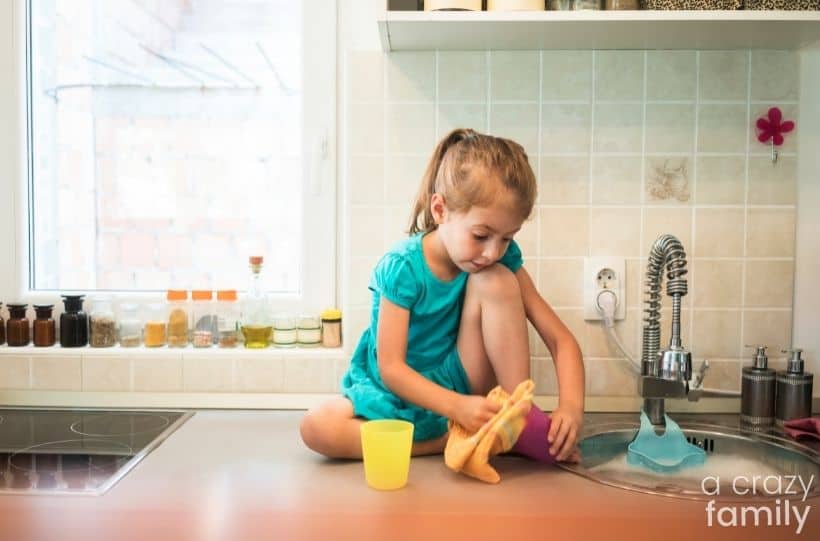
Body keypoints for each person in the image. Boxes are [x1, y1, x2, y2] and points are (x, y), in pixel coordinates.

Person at [300, 128, 585, 463]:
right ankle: (456, 438)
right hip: (399, 390)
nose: (493, 251)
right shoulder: (402, 267)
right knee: (317, 427)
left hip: (459, 377)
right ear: (440, 210)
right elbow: (391, 368)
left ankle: (514, 416)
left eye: (507, 238)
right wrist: (457, 408)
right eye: (481, 235)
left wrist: (571, 407)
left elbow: (560, 340)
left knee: (496, 280)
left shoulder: (497, 260)